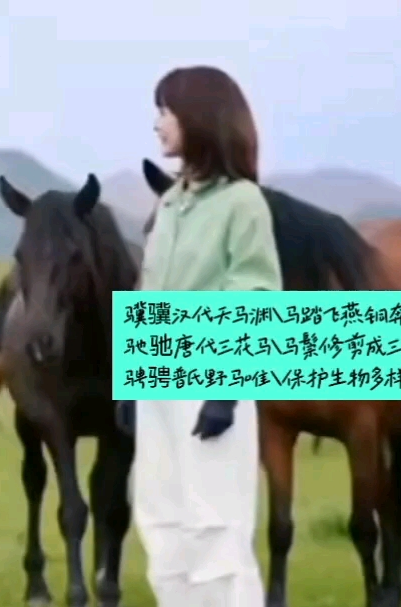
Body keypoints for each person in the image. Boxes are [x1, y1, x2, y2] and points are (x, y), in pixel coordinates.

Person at [129, 66, 282, 607]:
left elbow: (254, 293)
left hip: (209, 385)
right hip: (156, 385)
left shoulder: (242, 202)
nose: (157, 124)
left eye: (166, 111)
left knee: (215, 527)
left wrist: (225, 390)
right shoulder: (171, 202)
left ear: (199, 118)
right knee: (161, 522)